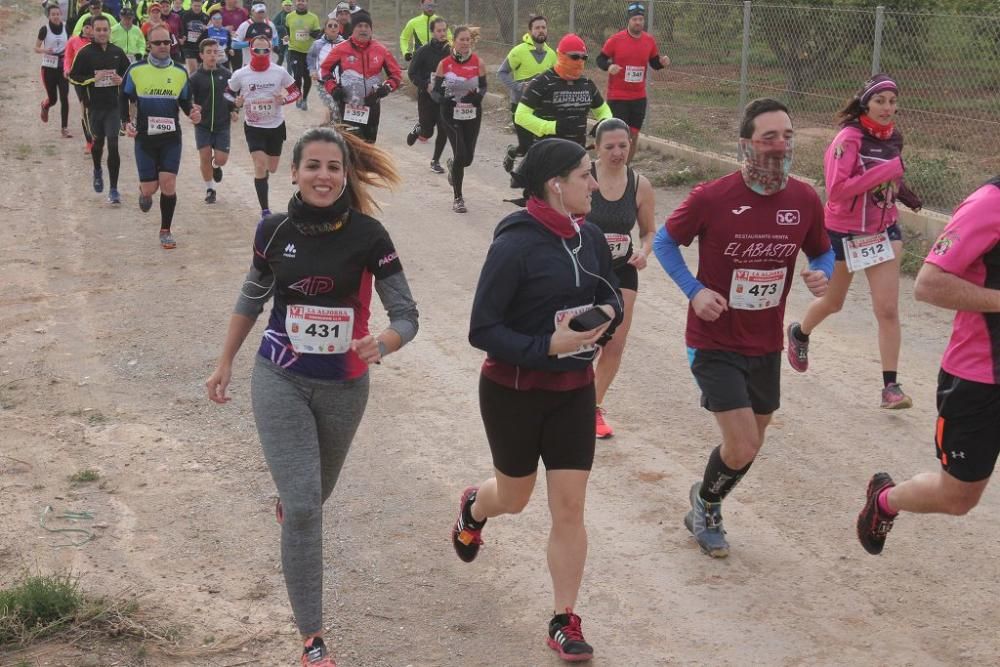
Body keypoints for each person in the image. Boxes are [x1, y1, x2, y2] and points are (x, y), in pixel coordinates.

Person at [205, 126, 419, 667]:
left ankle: (293, 504)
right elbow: (252, 296)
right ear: (294, 172)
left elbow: (407, 315)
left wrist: (385, 342)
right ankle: (312, 636)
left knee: (311, 498)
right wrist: (226, 361)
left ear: (345, 175)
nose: (323, 176)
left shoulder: (371, 235)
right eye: (313, 166)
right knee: (304, 508)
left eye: (333, 167)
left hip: (346, 386)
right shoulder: (273, 231)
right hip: (279, 375)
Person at [452, 138, 623, 663]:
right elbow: (482, 328)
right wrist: (546, 345)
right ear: (556, 184)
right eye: (585, 175)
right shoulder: (515, 245)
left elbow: (611, 293)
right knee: (516, 497)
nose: (593, 184)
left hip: (574, 393)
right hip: (513, 393)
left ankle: (563, 619)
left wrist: (604, 319)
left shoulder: (589, 236)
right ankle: (475, 508)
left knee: (569, 507)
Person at [653, 98, 833, 558]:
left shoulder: (804, 199)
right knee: (744, 442)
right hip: (713, 339)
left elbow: (823, 251)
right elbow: (664, 241)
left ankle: (705, 497)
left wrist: (822, 272)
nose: (779, 146)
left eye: (787, 137)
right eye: (768, 137)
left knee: (749, 445)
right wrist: (694, 290)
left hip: (765, 341)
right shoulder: (712, 197)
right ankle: (709, 508)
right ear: (745, 144)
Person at [856, 178, 1000, 556]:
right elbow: (929, 285)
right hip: (981, 378)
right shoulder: (988, 204)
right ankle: (885, 501)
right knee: (958, 498)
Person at [786, 74, 923, 410]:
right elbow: (837, 190)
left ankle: (890, 387)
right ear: (866, 103)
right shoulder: (848, 139)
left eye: (892, 101)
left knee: (888, 309)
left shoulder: (894, 138)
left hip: (882, 231)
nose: (887, 108)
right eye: (880, 101)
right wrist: (886, 172)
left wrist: (904, 192)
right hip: (844, 232)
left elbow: (892, 174)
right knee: (834, 303)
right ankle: (800, 333)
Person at [587, 118, 656, 439]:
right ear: (596, 148)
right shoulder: (583, 177)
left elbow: (648, 230)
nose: (617, 152)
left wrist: (644, 250)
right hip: (585, 269)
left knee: (614, 343)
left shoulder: (639, 184)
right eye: (610, 147)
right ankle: (568, 400)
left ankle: (593, 408)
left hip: (622, 269)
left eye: (623, 146)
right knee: (583, 340)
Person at [122, 24, 202, 248]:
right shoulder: (136, 69)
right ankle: (144, 192)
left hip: (170, 137)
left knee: (168, 184)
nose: (163, 46)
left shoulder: (179, 71)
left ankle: (165, 229)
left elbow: (185, 101)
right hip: (145, 138)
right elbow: (124, 96)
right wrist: (126, 123)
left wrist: (192, 113)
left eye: (167, 42)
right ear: (149, 45)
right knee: (151, 188)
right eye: (158, 43)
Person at [226, 34, 300, 218]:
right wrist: (236, 101)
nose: (261, 53)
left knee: (271, 168)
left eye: (265, 50)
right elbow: (227, 93)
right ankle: (265, 210)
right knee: (260, 165)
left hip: (275, 125)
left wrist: (284, 100)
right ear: (250, 50)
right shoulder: (241, 74)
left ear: (270, 50)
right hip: (253, 126)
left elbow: (296, 91)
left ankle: (264, 178)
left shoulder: (279, 71)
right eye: (257, 50)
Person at [596, 2, 669, 164]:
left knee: (633, 135)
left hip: (638, 97)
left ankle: (625, 169)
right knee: (615, 135)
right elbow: (600, 59)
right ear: (629, 21)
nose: (638, 22)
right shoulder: (616, 39)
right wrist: (609, 66)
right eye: (635, 19)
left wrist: (662, 62)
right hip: (618, 96)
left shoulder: (649, 41)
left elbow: (654, 63)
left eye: (641, 19)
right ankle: (605, 166)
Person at [69, 14, 130, 204]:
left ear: (110, 31)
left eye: (105, 30)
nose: (102, 33)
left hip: (113, 106)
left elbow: (129, 75)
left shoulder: (117, 52)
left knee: (113, 144)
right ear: (92, 31)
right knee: (98, 143)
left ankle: (113, 189)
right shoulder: (85, 53)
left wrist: (122, 80)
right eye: (98, 30)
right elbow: (73, 77)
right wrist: (92, 79)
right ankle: (97, 169)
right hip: (93, 107)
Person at [515, 33, 612, 149]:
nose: (579, 61)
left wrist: (604, 122)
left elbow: (603, 110)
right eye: (575, 57)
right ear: (560, 55)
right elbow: (520, 116)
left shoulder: (587, 83)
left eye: (584, 57)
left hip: (577, 153)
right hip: (546, 152)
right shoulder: (541, 82)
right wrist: (552, 127)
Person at [319, 10, 401, 144]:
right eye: (359, 26)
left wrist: (387, 87)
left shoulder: (381, 50)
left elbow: (396, 74)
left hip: (372, 105)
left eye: (367, 26)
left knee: (368, 147)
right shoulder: (341, 49)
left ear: (371, 29)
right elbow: (324, 69)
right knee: (349, 146)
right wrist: (333, 88)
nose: (363, 29)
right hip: (348, 103)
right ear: (353, 29)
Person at [430, 25, 485, 214]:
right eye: (461, 39)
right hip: (450, 114)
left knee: (467, 159)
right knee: (461, 153)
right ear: (454, 41)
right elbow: (435, 92)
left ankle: (454, 166)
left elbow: (483, 87)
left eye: (468, 39)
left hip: (472, 114)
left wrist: (477, 97)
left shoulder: (479, 62)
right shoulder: (444, 64)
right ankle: (458, 198)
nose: (465, 43)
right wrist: (443, 99)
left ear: (471, 41)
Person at [498, 14, 556, 173]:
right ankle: (512, 152)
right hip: (520, 106)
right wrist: (518, 87)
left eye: (543, 27)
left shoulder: (552, 54)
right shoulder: (519, 51)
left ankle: (533, 182)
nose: (541, 30)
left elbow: (556, 78)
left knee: (540, 146)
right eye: (537, 28)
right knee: (525, 147)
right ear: (530, 31)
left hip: (542, 108)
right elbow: (502, 73)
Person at [190, 38, 235, 204]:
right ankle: (210, 189)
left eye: (215, 52)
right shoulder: (195, 78)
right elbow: (188, 99)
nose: (212, 55)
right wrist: (193, 109)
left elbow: (233, 97)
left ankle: (216, 167)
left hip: (222, 124)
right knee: (205, 156)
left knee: (221, 159)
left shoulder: (227, 75)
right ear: (201, 55)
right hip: (203, 125)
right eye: (208, 52)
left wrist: (234, 110)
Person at [405, 16, 449, 174]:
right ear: (432, 32)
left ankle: (435, 161)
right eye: (439, 30)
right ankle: (419, 129)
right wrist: (427, 85)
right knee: (427, 131)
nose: (442, 33)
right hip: (426, 96)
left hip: (444, 96)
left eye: (444, 30)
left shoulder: (451, 51)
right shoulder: (423, 51)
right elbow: (412, 73)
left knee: (444, 128)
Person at [37, 3, 73, 139]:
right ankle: (45, 105)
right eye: (53, 14)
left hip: (63, 67)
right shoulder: (44, 29)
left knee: (65, 97)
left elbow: (71, 44)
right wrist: (44, 50)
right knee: (53, 99)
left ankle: (64, 128)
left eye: (58, 14)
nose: (56, 16)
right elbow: (36, 48)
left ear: (61, 14)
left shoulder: (66, 28)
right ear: (49, 15)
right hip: (48, 67)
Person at [307, 14, 344, 125]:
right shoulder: (317, 44)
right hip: (322, 83)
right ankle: (335, 131)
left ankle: (327, 125)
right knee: (333, 107)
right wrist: (312, 71)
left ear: (339, 29)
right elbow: (311, 58)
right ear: (325, 29)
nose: (333, 28)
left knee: (337, 107)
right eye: (330, 26)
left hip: (339, 83)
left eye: (335, 26)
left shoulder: (345, 44)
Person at [284, 0, 321, 111]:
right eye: (299, 0)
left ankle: (304, 99)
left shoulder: (313, 17)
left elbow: (317, 34)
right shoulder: (289, 16)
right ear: (295, 2)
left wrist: (309, 32)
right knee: (297, 75)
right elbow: (288, 29)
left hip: (309, 52)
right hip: (294, 50)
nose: (301, 2)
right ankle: (298, 97)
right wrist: (288, 37)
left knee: (307, 76)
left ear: (307, 2)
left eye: (303, 1)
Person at [64, 15, 94, 152]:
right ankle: (89, 141)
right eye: (87, 27)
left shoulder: (97, 42)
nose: (89, 30)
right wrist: (66, 69)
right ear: (82, 27)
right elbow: (68, 57)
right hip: (79, 79)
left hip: (95, 79)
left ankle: (97, 134)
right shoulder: (73, 41)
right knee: (84, 107)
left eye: (92, 28)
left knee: (95, 108)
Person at [233, 4, 277, 68]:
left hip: (267, 65)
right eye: (258, 12)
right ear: (252, 12)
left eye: (262, 12)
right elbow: (234, 44)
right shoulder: (245, 25)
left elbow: (275, 38)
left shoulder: (270, 24)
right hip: (249, 65)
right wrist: (251, 43)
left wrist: (275, 46)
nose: (261, 15)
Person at [180, 0, 209, 73]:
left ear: (202, 5)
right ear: (191, 5)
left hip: (201, 47)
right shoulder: (184, 15)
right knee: (192, 71)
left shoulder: (206, 17)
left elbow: (209, 32)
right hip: (188, 47)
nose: (197, 8)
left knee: (201, 72)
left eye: (199, 6)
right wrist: (182, 37)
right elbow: (180, 28)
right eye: (195, 6)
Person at [219, 0, 247, 69]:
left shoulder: (242, 12)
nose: (235, 1)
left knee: (237, 69)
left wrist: (239, 33)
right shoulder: (219, 12)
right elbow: (211, 27)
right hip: (223, 45)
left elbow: (247, 26)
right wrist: (225, 29)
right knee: (224, 69)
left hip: (237, 44)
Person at [272, 0, 292, 66]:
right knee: (281, 56)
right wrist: (282, 28)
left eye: (289, 5)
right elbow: (273, 25)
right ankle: (278, 69)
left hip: (291, 38)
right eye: (286, 5)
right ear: (283, 6)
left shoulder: (293, 15)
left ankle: (290, 73)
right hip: (282, 39)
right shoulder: (280, 15)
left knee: (289, 57)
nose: (288, 7)